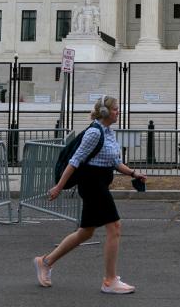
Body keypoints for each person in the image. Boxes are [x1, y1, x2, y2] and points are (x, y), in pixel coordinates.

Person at [33, 95, 148, 293]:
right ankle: (110, 281)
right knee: (115, 227)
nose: (118, 112)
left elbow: (113, 162)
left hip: (100, 182)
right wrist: (58, 187)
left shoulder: (108, 132)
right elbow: (75, 161)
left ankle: (45, 261)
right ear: (104, 112)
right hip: (92, 184)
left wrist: (133, 173)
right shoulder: (94, 133)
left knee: (86, 232)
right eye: (115, 109)